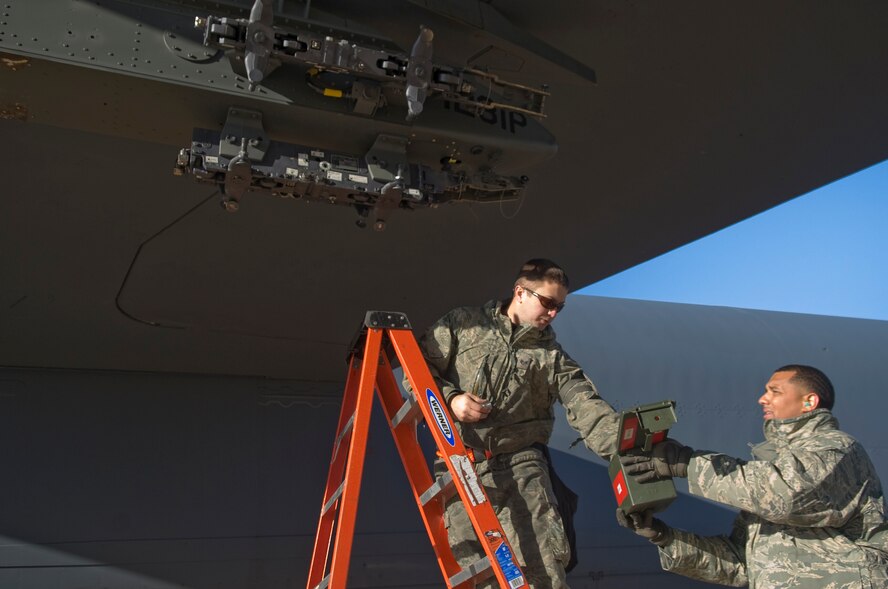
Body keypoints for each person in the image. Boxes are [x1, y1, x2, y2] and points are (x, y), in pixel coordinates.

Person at [413, 258, 620, 589]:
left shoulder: (552, 358)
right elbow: (416, 371)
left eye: (560, 308)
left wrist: (623, 447)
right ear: (520, 292)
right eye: (548, 303)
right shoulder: (463, 324)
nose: (553, 314)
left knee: (542, 570)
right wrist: (452, 400)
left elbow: (585, 403)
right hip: (460, 467)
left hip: (522, 468)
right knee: (478, 574)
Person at [617, 364, 888, 588]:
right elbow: (741, 563)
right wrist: (664, 537)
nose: (763, 398)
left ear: (809, 401)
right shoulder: (777, 465)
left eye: (775, 391)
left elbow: (787, 495)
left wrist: (686, 463)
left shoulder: (836, 448)